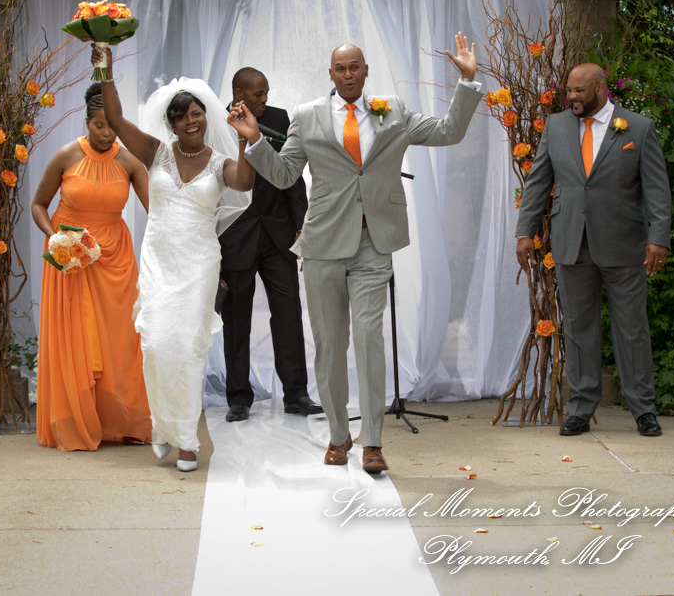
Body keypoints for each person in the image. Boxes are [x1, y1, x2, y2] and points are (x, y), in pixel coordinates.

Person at [228, 36, 482, 474]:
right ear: (331, 74)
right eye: (340, 68)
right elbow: (286, 175)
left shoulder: (393, 110)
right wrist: (254, 141)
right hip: (324, 242)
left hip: (373, 242)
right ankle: (339, 435)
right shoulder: (308, 117)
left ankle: (374, 443)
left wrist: (467, 80)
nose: (347, 75)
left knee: (368, 339)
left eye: (354, 67)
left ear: (366, 71)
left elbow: (448, 132)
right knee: (329, 346)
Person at [95, 46, 255, 472]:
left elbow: (245, 179)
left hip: (200, 264)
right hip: (159, 262)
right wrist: (105, 71)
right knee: (156, 345)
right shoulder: (155, 152)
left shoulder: (221, 164)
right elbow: (114, 119)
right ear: (171, 123)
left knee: (186, 348)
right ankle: (161, 427)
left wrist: (244, 138)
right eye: (182, 116)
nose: (191, 121)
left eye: (197, 114)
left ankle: (186, 440)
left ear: (207, 117)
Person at [515, 63, 672, 437]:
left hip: (623, 242)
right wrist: (525, 232)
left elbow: (656, 189)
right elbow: (538, 183)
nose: (571, 97)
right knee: (579, 329)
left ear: (601, 89)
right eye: (569, 90)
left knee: (632, 329)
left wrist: (658, 237)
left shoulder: (638, 127)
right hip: (571, 242)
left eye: (579, 91)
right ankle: (580, 409)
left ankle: (643, 410)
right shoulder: (555, 127)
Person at [32, 82, 153, 452]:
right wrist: (56, 239)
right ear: (87, 123)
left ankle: (122, 421)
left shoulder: (130, 162)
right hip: (71, 260)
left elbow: (158, 214)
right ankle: (77, 420)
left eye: (112, 125)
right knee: (78, 342)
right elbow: (39, 204)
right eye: (99, 125)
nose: (107, 133)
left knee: (119, 341)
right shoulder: (66, 156)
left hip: (116, 262)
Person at [218, 68, 321, 422]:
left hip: (279, 235)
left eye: (266, 93)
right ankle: (238, 398)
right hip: (236, 237)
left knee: (289, 312)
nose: (264, 100)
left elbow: (293, 178)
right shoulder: (217, 124)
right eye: (257, 94)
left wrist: (301, 226)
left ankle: (296, 394)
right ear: (238, 93)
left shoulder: (279, 119)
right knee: (237, 320)